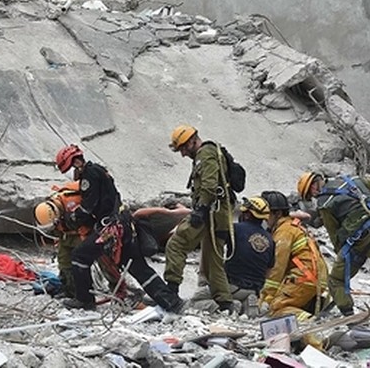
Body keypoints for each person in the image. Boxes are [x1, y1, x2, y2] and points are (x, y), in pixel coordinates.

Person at [53, 145, 182, 312]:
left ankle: (84, 300)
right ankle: (171, 302)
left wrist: (70, 218)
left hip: (110, 228)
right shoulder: (99, 170)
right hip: (125, 223)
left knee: (80, 256)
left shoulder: (88, 176)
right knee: (137, 266)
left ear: (76, 162)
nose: (70, 174)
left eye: (68, 169)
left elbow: (87, 208)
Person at [297, 172, 370, 341]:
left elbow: (334, 234)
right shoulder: (352, 181)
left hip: (359, 244)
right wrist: (366, 203)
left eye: (310, 194)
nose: (313, 197)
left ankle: (353, 323)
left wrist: (341, 257)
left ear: (313, 186)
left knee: (336, 280)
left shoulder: (325, 203)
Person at [163, 125, 237, 312]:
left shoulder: (205, 154)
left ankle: (171, 293)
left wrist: (201, 210)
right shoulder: (210, 152)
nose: (183, 154)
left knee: (176, 243)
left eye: (183, 148)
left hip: (210, 212)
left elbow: (209, 185)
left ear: (192, 141)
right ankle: (225, 303)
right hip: (219, 213)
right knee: (214, 259)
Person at [34, 181, 126, 299]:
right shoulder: (54, 204)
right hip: (69, 233)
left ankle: (118, 288)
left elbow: (90, 216)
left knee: (102, 260)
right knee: (64, 259)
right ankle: (70, 289)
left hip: (89, 232)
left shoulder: (73, 203)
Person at [190, 196, 274, 315]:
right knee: (245, 295)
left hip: (231, 285)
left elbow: (216, 246)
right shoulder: (270, 239)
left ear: (248, 214)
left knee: (194, 301)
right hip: (255, 290)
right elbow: (269, 271)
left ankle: (228, 306)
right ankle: (246, 303)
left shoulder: (235, 229)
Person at [260, 190, 328, 322]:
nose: (264, 218)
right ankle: (308, 307)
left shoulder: (284, 232)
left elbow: (277, 268)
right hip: (317, 280)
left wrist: (266, 297)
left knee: (276, 308)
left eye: (267, 214)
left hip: (304, 280)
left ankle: (307, 320)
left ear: (277, 214)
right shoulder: (294, 226)